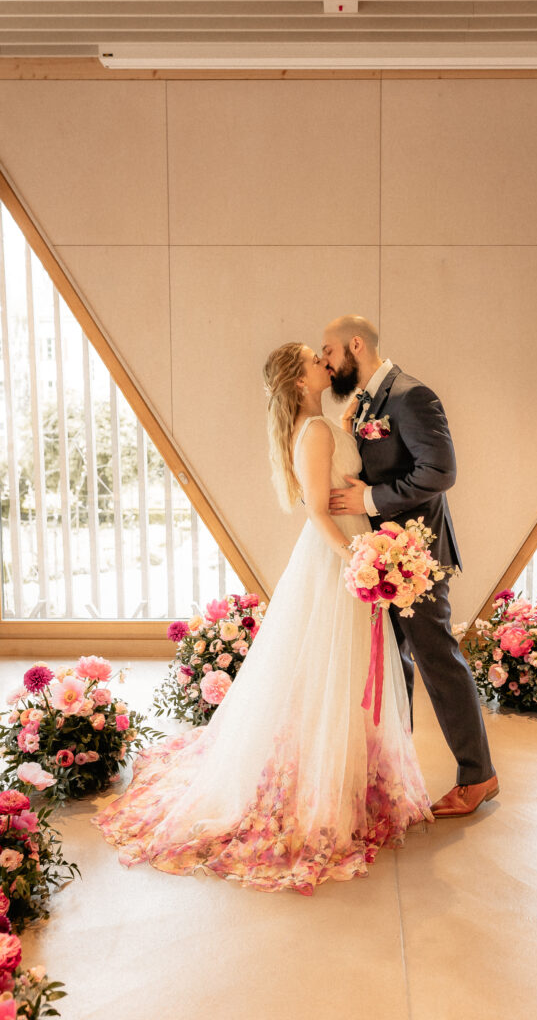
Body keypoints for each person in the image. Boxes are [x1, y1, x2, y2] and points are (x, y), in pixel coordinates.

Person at [92, 342, 433, 896]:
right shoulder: (316, 432)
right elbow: (318, 511)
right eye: (313, 358)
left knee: (339, 673)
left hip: (344, 554)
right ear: (300, 381)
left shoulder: (322, 424)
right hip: (335, 558)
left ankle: (345, 777)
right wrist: (356, 559)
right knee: (331, 671)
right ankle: (326, 784)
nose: (325, 361)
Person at [321, 315, 498, 817]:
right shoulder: (369, 402)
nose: (327, 361)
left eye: (329, 350)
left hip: (417, 557)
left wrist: (371, 498)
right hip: (384, 560)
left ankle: (478, 776)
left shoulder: (411, 396)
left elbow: (440, 471)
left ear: (356, 344)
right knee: (393, 664)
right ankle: (395, 772)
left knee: (437, 660)